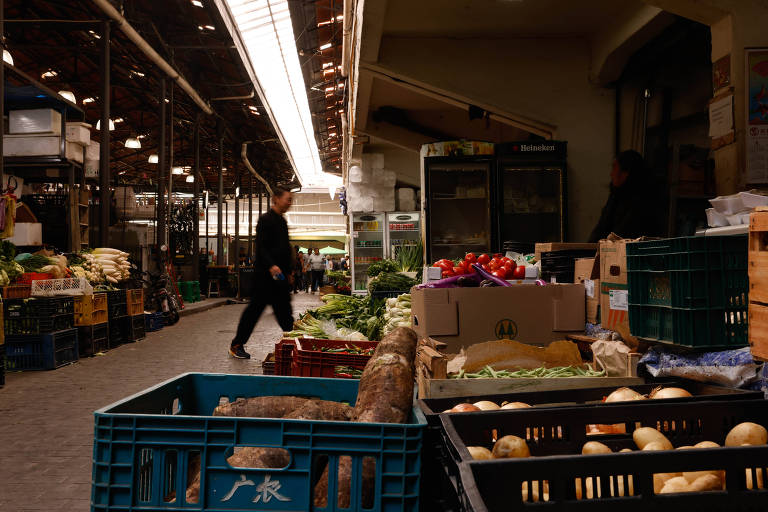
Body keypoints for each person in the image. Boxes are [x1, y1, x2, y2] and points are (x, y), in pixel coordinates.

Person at [229, 188, 294, 359]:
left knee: (284, 310)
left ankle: (294, 343)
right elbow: (261, 247)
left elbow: (285, 249)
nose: (290, 203)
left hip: (279, 278)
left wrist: (288, 272)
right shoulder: (265, 220)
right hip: (264, 278)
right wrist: (271, 265)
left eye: (291, 200)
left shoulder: (282, 221)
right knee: (254, 311)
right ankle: (237, 345)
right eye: (287, 199)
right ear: (276, 199)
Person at [588, 150, 659, 243]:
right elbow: (601, 228)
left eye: (614, 168)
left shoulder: (641, 201)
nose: (611, 174)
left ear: (626, 173)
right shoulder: (616, 195)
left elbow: (621, 233)